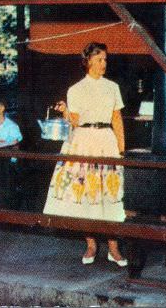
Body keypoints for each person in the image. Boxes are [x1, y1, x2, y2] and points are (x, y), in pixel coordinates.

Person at [43, 42, 127, 267]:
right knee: (85, 193)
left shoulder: (112, 87)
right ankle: (91, 245)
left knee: (109, 193)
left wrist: (121, 149)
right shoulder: (76, 89)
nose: (104, 64)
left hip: (106, 140)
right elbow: (76, 120)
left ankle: (113, 247)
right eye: (100, 59)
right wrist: (65, 113)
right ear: (88, 61)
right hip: (83, 141)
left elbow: (117, 119)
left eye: (106, 60)